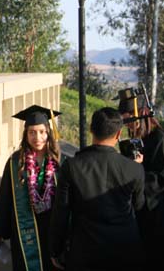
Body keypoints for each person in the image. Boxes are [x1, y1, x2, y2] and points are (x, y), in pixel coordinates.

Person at [49, 107, 145, 271]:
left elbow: (61, 213)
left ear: (91, 129)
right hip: (125, 252)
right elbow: (139, 207)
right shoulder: (134, 169)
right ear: (118, 134)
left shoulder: (71, 166)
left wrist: (55, 250)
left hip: (85, 253)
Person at [0, 105, 63, 271]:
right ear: (26, 134)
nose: (37, 137)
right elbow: (5, 199)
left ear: (48, 133)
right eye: (32, 132)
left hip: (54, 231)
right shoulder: (16, 162)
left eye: (42, 132)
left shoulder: (60, 162)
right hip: (25, 232)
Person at [116, 87, 164, 269]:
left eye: (130, 119)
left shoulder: (159, 139)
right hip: (136, 208)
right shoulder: (135, 139)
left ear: (142, 114)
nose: (128, 124)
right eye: (125, 121)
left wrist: (137, 172)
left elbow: (161, 178)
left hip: (155, 211)